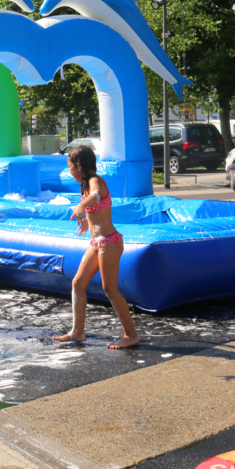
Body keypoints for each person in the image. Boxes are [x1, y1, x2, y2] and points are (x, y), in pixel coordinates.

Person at [53, 145, 140, 349]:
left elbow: (97, 195)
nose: (69, 171)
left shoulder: (95, 181)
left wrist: (82, 206)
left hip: (109, 242)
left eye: (70, 167)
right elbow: (97, 209)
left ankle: (131, 335)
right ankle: (77, 332)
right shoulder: (84, 185)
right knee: (78, 283)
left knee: (109, 289)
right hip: (97, 242)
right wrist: (87, 221)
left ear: (79, 165)